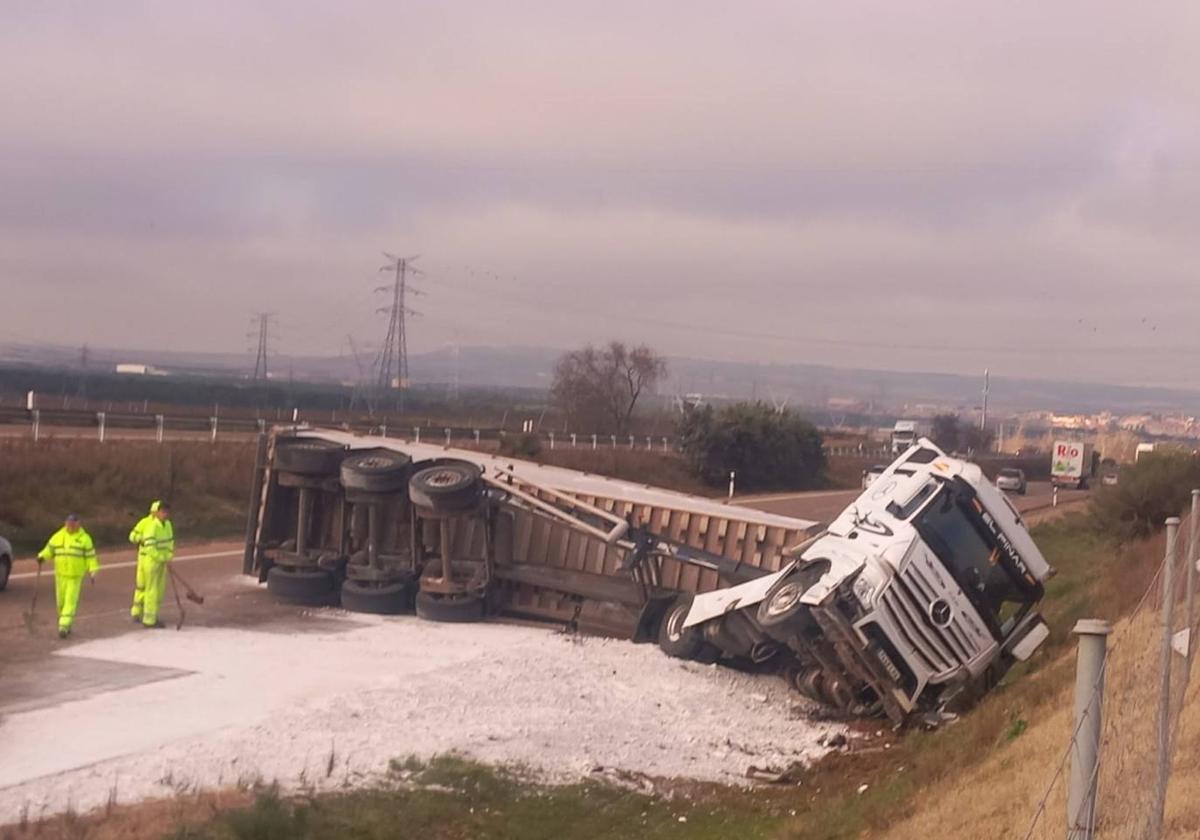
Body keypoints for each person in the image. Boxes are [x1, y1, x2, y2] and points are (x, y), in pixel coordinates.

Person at [36, 514, 99, 638]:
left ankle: (63, 626)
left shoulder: (85, 539)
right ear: (65, 523)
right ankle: (66, 623)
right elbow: (50, 550)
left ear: (78, 524)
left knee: (70, 601)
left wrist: (93, 570)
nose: (70, 525)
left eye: (73, 523)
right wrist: (42, 556)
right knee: (60, 602)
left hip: (75, 576)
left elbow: (91, 557)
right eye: (68, 523)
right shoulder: (58, 536)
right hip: (60, 575)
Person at [130, 500, 175, 628]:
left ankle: (151, 614)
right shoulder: (148, 524)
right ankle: (144, 616)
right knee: (145, 588)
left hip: (161, 561)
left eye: (166, 512)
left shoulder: (167, 525)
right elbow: (134, 537)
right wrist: (141, 540)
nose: (164, 514)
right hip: (148, 560)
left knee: (158, 590)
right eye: (161, 511)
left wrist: (169, 556)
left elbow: (170, 542)